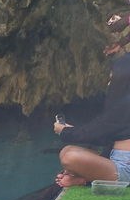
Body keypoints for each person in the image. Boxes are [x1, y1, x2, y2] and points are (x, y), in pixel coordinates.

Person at [54, 53, 130, 187]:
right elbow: (103, 136)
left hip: (125, 169)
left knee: (69, 157)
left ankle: (86, 178)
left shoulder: (126, 105)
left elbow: (96, 129)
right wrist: (69, 130)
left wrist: (64, 131)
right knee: (68, 150)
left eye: (112, 79)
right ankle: (85, 176)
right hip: (114, 157)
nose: (109, 83)